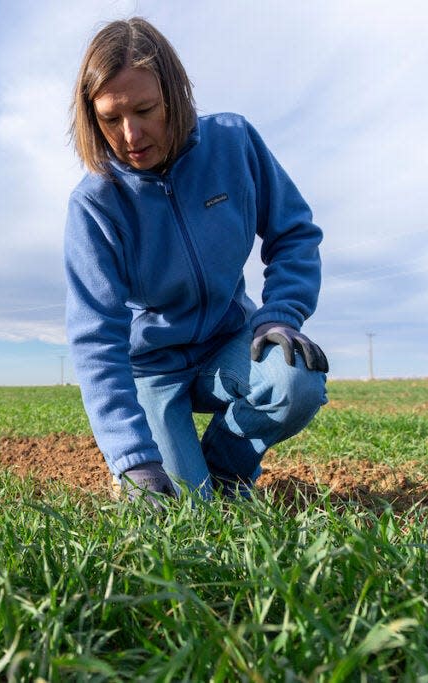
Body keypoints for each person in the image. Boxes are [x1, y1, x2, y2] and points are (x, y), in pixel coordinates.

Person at [64, 17, 329, 506]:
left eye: (145, 110)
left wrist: (280, 316)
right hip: (153, 370)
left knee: (296, 381)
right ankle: (176, 472)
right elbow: (96, 338)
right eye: (109, 118)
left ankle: (225, 475)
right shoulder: (96, 204)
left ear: (175, 95)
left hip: (228, 342)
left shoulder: (234, 143)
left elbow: (294, 233)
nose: (130, 134)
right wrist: (132, 457)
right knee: (180, 515)